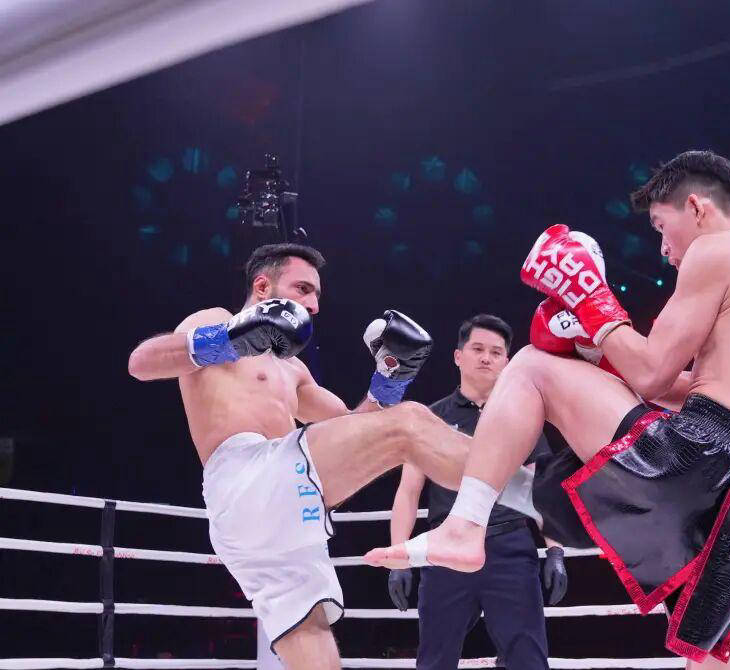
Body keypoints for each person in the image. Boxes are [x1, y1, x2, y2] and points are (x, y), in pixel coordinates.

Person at [365, 150, 730, 670]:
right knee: (717, 666)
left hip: (699, 462)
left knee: (531, 365)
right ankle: (524, 498)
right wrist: (598, 358)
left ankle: (466, 525)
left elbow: (651, 374)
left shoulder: (715, 251)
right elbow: (703, 390)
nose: (664, 249)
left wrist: (593, 303)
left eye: (661, 226)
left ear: (697, 207)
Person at [127, 243, 475, 670]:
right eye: (303, 289)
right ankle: (523, 489)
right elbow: (140, 363)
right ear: (262, 287)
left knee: (310, 631)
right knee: (410, 423)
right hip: (244, 477)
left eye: (317, 295)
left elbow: (354, 432)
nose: (313, 305)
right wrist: (228, 340)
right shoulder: (216, 320)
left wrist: (389, 378)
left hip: (282, 513)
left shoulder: (294, 370)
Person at [387, 314, 567, 670]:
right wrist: (398, 558)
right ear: (458, 356)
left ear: (507, 361)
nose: (486, 358)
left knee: (528, 660)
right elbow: (408, 491)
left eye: (496, 352)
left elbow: (541, 490)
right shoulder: (431, 420)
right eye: (478, 349)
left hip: (510, 548)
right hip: (445, 550)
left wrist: (556, 550)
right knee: (435, 659)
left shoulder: (524, 417)